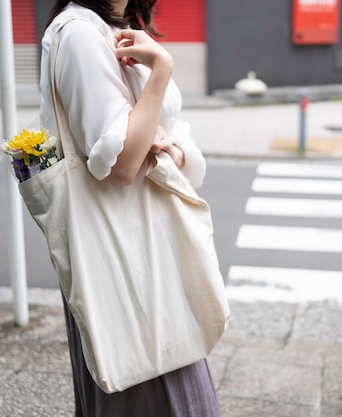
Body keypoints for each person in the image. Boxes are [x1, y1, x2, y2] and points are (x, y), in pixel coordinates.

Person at [39, 1, 219, 416]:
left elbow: (165, 133)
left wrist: (169, 148)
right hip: (121, 255)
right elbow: (121, 164)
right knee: (151, 390)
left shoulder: (116, 26)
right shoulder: (81, 35)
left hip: (149, 248)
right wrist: (161, 71)